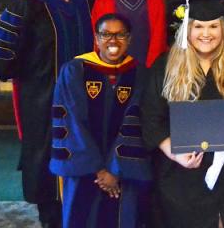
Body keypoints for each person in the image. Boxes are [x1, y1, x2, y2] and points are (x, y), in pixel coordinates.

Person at [141, 0, 224, 228]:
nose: (206, 33)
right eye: (198, 27)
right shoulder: (167, 65)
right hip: (185, 166)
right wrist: (172, 152)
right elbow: (151, 116)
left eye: (213, 26)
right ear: (187, 30)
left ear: (223, 29)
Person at [0, 0, 94, 228]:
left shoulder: (88, 2)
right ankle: (50, 217)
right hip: (42, 94)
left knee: (84, 145)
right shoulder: (29, 3)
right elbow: (3, 54)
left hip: (85, 93)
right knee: (46, 152)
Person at [50, 13, 151, 228]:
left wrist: (115, 169)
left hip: (123, 170)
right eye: (105, 35)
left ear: (129, 39)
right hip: (82, 168)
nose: (113, 41)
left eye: (120, 35)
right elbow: (71, 122)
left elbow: (135, 123)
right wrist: (100, 171)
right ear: (96, 39)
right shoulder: (75, 71)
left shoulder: (140, 73)